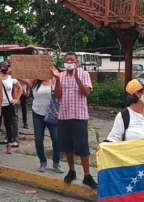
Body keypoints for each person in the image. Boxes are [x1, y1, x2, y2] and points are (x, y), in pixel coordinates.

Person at [51, 52, 97, 189]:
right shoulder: (60, 76)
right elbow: (58, 95)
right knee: (67, 146)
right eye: (67, 60)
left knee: (82, 147)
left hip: (79, 116)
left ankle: (87, 175)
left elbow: (86, 93)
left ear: (77, 62)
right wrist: (57, 79)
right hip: (64, 116)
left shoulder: (84, 74)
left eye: (72, 60)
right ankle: (72, 171)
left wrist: (77, 78)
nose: (69, 62)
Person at [19, 78, 64, 173]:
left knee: (56, 139)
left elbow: (59, 94)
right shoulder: (35, 82)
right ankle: (43, 161)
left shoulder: (55, 81)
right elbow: (20, 76)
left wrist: (57, 78)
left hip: (52, 114)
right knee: (39, 139)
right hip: (37, 114)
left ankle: (56, 163)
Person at [0, 61, 22, 154]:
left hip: (8, 105)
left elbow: (20, 88)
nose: (6, 69)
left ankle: (9, 144)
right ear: (0, 68)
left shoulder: (12, 78)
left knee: (8, 125)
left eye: (7, 67)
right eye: (4, 67)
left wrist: (16, 99)